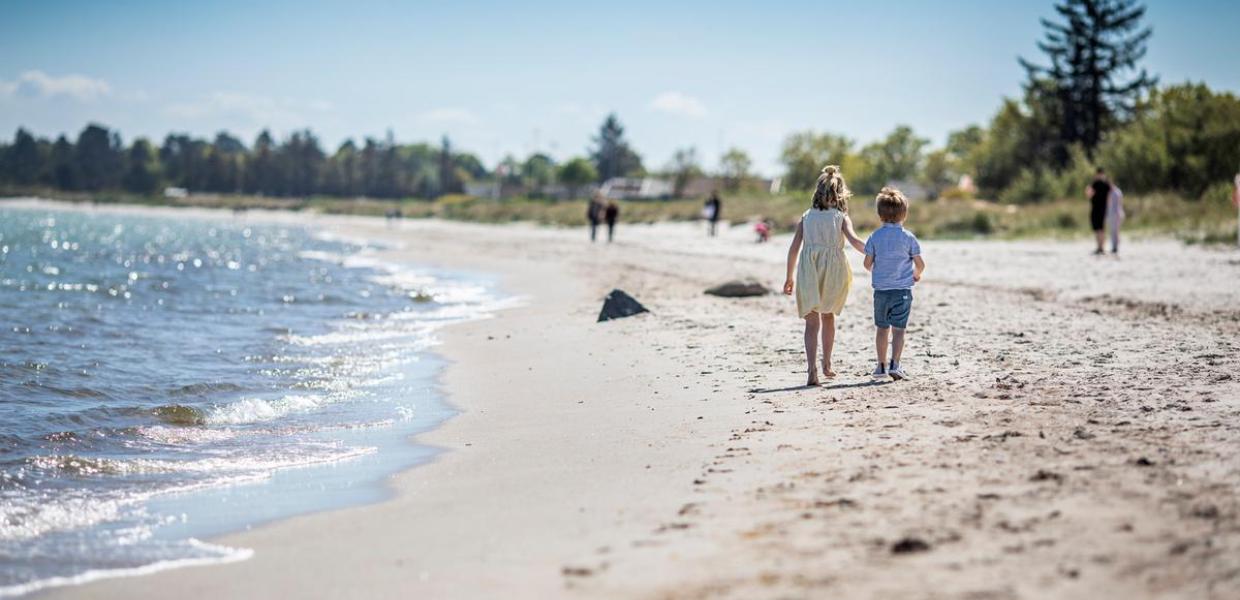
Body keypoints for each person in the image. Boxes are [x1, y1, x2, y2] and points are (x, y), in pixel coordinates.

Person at [782, 165, 867, 386]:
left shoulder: (806, 217)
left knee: (811, 322)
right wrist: (876, 251)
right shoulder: (840, 217)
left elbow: (793, 249)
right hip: (833, 272)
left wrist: (789, 277)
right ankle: (827, 364)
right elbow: (856, 241)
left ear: (818, 193)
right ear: (840, 195)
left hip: (808, 270)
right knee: (828, 316)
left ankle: (812, 370)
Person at [863, 187, 925, 381]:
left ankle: (880, 367)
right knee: (899, 330)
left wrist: (879, 271)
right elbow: (920, 264)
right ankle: (895, 365)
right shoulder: (908, 238)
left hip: (881, 291)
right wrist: (916, 274)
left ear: (880, 215)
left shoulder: (875, 237)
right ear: (904, 214)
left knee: (882, 328)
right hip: (902, 291)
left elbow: (867, 263)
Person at [1086, 168, 1113, 255]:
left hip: (1098, 209)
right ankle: (1100, 247)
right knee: (1100, 229)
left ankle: (1100, 247)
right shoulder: (1106, 184)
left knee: (1099, 229)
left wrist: (1088, 189)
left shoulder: (1096, 184)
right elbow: (1110, 195)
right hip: (1101, 209)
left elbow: (1089, 195)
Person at [1107, 182, 1125, 254]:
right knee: (1114, 231)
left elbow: (1116, 203)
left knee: (1115, 231)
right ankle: (1115, 246)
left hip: (1115, 213)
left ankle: (1115, 246)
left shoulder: (1114, 192)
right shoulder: (1117, 192)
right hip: (1115, 213)